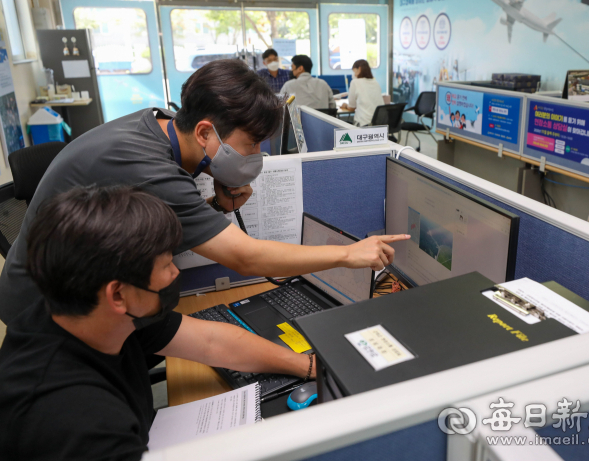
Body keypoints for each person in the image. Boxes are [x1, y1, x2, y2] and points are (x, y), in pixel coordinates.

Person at [0, 59, 408, 325]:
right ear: (205, 132)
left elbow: (141, 229)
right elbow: (245, 257)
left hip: (96, 286)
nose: (256, 156)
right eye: (250, 145)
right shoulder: (152, 166)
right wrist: (349, 254)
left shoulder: (157, 126)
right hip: (45, 307)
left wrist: (214, 206)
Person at [0, 185, 322, 460]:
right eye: (167, 264)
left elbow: (212, 341)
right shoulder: (81, 424)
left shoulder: (89, 312)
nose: (175, 274)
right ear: (118, 294)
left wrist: (307, 366)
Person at [339, 59, 384, 126]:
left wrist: (345, 105)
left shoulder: (355, 82)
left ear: (359, 69)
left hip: (364, 124)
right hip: (379, 124)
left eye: (354, 71)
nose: (353, 74)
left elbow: (352, 107)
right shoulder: (375, 83)